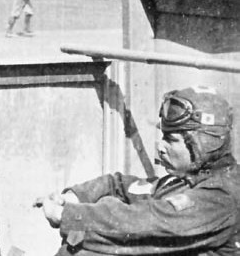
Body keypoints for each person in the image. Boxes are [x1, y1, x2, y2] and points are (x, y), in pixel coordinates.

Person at [37, 86, 240, 255]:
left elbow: (147, 221)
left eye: (171, 140)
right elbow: (123, 186)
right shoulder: (187, 179)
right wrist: (77, 196)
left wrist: (68, 215)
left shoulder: (221, 196)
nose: (160, 147)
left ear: (202, 143)